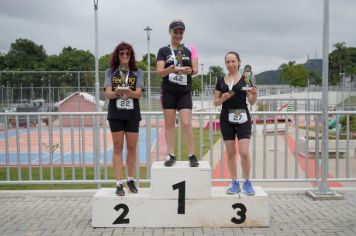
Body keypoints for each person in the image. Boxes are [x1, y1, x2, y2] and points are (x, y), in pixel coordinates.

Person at [156, 19, 199, 167]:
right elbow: (160, 72)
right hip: (169, 91)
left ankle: (192, 154)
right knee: (169, 124)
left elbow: (196, 70)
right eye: (175, 32)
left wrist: (190, 71)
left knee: (186, 123)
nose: (178, 35)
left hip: (184, 92)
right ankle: (171, 155)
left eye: (181, 32)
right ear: (170, 32)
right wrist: (170, 69)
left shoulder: (189, 49)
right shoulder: (163, 51)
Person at [213, 52, 257, 195]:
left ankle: (247, 182)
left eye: (233, 61)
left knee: (244, 152)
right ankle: (234, 182)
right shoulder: (220, 80)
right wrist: (222, 99)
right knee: (231, 152)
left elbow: (252, 101)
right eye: (228, 62)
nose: (230, 64)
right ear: (225, 64)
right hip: (226, 118)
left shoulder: (246, 79)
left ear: (239, 62)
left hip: (243, 116)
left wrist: (254, 93)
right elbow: (215, 102)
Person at [104, 42, 144, 196]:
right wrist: (118, 92)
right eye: (122, 53)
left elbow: (138, 94)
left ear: (131, 55)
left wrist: (126, 90)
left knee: (132, 148)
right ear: (117, 55)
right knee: (117, 147)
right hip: (116, 113)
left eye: (128, 53)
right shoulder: (110, 72)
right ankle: (118, 183)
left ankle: (130, 179)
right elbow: (108, 94)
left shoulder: (138, 72)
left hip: (132, 113)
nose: (125, 56)